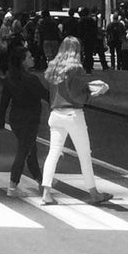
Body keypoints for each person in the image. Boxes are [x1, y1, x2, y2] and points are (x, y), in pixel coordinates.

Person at [40, 35, 112, 205]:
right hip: (73, 114)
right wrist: (92, 94)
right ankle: (94, 193)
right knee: (84, 155)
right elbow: (77, 94)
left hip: (55, 114)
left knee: (53, 153)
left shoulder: (53, 67)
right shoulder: (76, 68)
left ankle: (46, 193)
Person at [0, 41, 49, 196]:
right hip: (30, 119)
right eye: (29, 57)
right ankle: (12, 185)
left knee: (30, 150)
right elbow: (47, 96)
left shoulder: (10, 78)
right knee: (24, 151)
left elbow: (4, 101)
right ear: (22, 61)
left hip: (16, 119)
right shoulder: (31, 80)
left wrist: (0, 121)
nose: (32, 59)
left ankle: (41, 181)